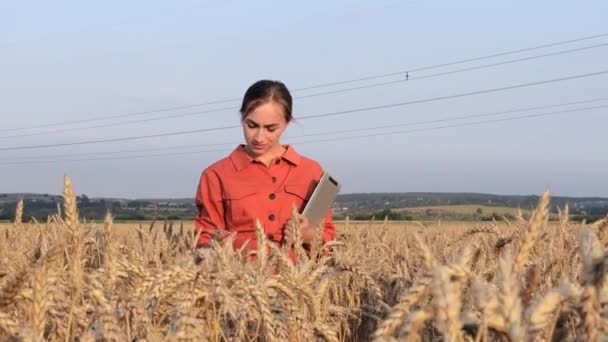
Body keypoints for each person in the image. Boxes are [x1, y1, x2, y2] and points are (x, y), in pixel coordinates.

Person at [194, 79, 335, 261]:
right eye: (251, 125)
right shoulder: (215, 175)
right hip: (239, 285)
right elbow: (203, 239)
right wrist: (215, 243)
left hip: (299, 284)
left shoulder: (311, 171)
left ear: (286, 123)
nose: (259, 137)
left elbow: (330, 241)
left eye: (270, 128)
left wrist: (308, 235)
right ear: (241, 117)